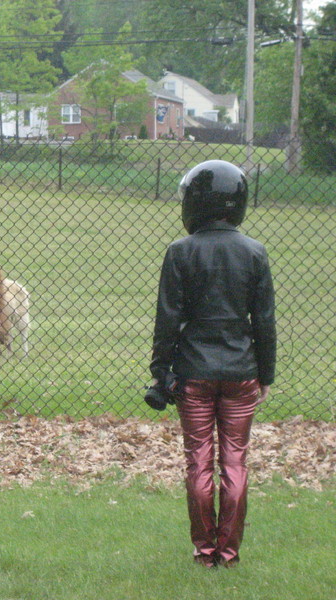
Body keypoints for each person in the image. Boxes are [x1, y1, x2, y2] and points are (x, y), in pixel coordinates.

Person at [148, 159, 277, 568]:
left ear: (195, 202)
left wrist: (160, 370)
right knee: (235, 460)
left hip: (194, 373)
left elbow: (167, 319)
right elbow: (265, 322)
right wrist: (266, 374)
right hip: (241, 373)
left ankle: (205, 553)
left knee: (198, 460)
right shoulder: (254, 252)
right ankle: (229, 552)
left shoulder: (180, 252)